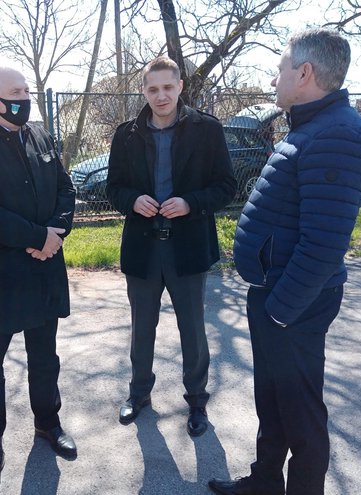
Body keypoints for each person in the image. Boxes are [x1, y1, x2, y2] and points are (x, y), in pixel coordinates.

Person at [208, 29, 361, 495]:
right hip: (276, 295)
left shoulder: (339, 134)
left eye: (280, 68)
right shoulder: (312, 127)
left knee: (300, 413)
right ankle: (264, 482)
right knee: (274, 400)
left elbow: (323, 244)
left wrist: (280, 310)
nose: (274, 79)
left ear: (304, 73)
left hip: (293, 304)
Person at [0, 66, 77, 472]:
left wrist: (55, 233)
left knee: (45, 356)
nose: (25, 97)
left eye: (26, 90)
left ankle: (48, 422)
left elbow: (65, 187)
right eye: (16, 91)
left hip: (44, 270)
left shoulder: (39, 134)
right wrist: (37, 237)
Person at [106, 56, 237, 436]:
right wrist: (132, 200)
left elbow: (226, 187)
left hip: (188, 245)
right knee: (141, 328)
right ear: (144, 91)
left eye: (167, 87)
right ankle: (139, 394)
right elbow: (113, 187)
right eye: (152, 88)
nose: (160, 95)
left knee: (193, 330)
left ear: (180, 86)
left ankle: (197, 401)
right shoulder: (126, 134)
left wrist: (191, 203)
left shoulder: (207, 130)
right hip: (143, 247)